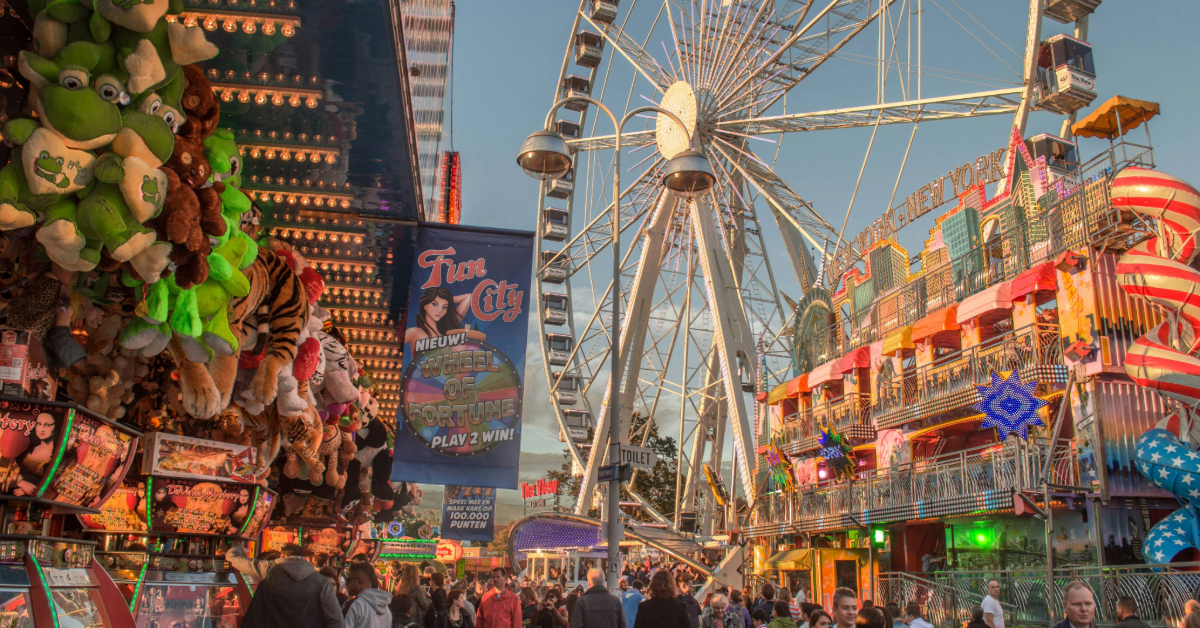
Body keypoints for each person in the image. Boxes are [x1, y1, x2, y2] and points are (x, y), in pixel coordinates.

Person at [225, 543, 342, 628]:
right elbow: (336, 619)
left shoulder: (268, 569)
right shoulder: (321, 582)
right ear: (303, 558)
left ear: (282, 557)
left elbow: (232, 558)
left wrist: (239, 548)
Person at [345, 562, 394, 628]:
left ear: (359, 581)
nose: (346, 582)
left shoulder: (355, 605)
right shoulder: (387, 609)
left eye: (349, 579)